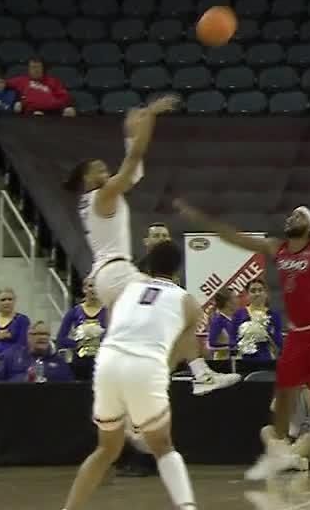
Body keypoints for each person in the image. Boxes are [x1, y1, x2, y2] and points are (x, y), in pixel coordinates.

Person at [174, 200, 310, 486]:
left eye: (299, 215)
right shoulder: (276, 248)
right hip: (298, 333)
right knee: (285, 390)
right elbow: (235, 237)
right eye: (290, 215)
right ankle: (279, 451)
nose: (292, 217)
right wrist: (200, 218)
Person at [62, 93, 237, 397]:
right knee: (187, 308)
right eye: (98, 168)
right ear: (86, 179)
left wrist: (131, 134)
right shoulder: (102, 195)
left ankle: (154, 385)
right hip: (116, 275)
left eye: (105, 167)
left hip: (111, 277)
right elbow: (131, 163)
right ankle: (192, 375)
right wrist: (151, 115)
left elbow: (133, 173)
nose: (105, 170)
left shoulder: (96, 198)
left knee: (165, 324)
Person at [60, 240, 234, 510]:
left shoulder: (126, 290)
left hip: (108, 362)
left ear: (149, 266)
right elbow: (177, 354)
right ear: (178, 270)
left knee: (106, 449)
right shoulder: (188, 302)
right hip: (146, 365)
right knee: (163, 447)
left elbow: (114, 328)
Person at [230, 279, 283, 361]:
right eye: (253, 291)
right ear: (247, 295)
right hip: (244, 360)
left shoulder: (273, 315)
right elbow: (232, 339)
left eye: (260, 290)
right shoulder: (239, 314)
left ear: (266, 293)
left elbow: (279, 343)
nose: (257, 294)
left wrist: (267, 332)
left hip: (267, 359)